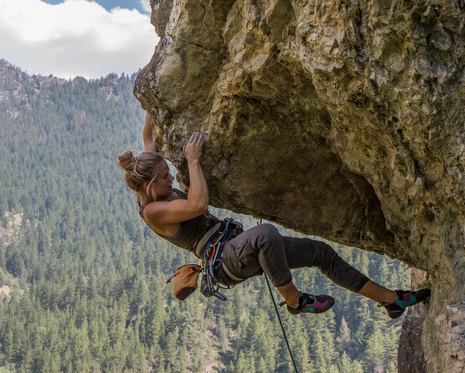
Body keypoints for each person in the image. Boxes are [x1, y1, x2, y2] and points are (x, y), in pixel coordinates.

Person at [118, 113, 429, 317]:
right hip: (224, 259)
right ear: (148, 186)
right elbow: (198, 205)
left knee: (320, 252)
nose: (170, 177)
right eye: (164, 176)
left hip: (237, 244)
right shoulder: (154, 212)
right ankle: (294, 300)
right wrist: (193, 161)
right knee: (266, 234)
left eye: (167, 172)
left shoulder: (153, 181)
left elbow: (149, 136)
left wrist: (152, 104)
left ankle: (390, 299)